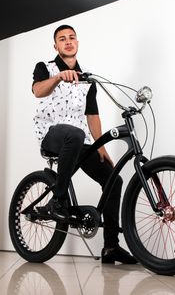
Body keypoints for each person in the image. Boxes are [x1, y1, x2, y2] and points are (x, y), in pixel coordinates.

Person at [32, 24, 137, 264]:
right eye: (62, 39)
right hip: (51, 134)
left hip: (80, 140)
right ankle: (57, 199)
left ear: (77, 43)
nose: (68, 42)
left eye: (72, 38)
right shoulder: (45, 68)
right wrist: (58, 77)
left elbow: (92, 115)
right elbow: (37, 91)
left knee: (114, 180)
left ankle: (111, 247)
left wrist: (101, 147)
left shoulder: (88, 77)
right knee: (75, 134)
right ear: (55, 46)